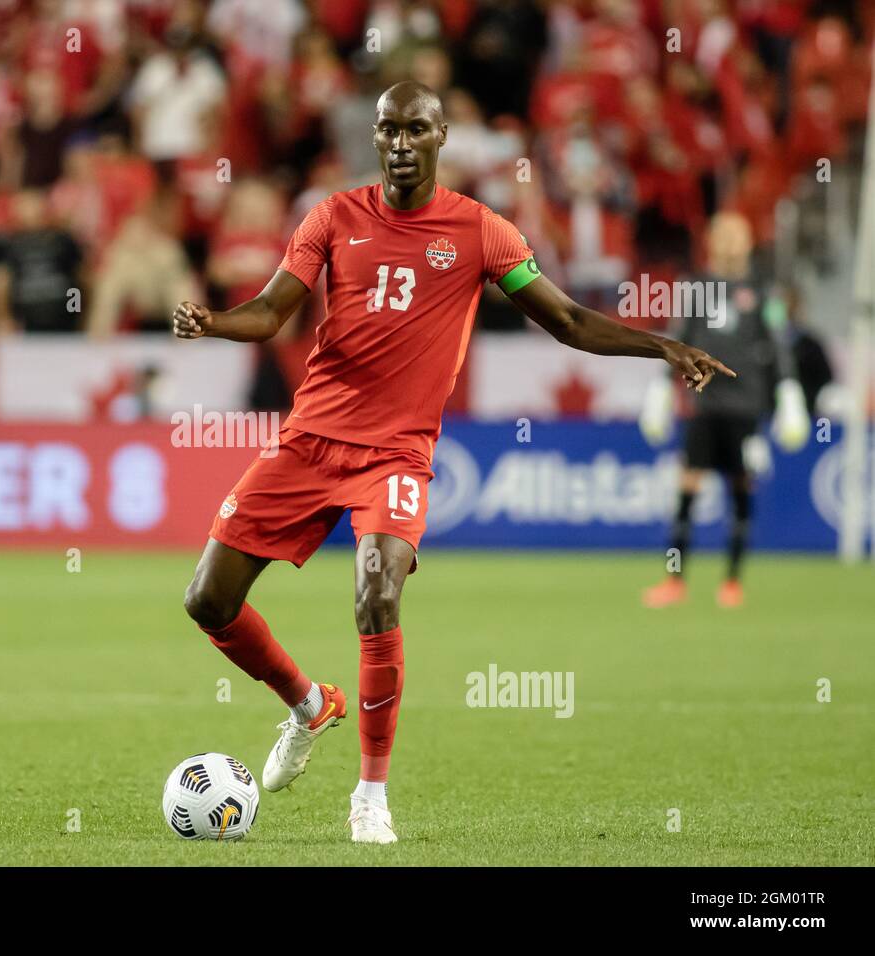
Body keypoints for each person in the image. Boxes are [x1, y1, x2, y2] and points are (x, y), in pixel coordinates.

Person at [172, 81, 733, 845]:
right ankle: (308, 704)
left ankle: (371, 796)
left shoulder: (479, 231)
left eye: (415, 130)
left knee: (378, 592)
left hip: (396, 452)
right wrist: (213, 322)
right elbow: (273, 311)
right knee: (207, 600)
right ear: (374, 138)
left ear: (442, 138)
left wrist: (660, 346)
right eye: (387, 130)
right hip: (310, 438)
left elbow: (565, 321)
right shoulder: (333, 217)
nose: (400, 143)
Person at [640, 211, 809, 609]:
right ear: (712, 241)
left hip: (745, 407)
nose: (731, 243)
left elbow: (779, 345)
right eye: (724, 235)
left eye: (739, 235)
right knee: (688, 488)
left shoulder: (765, 291)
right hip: (705, 405)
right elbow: (680, 339)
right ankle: (674, 581)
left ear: (748, 242)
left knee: (741, 490)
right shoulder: (695, 287)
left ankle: (732, 582)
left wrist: (788, 393)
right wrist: (662, 392)